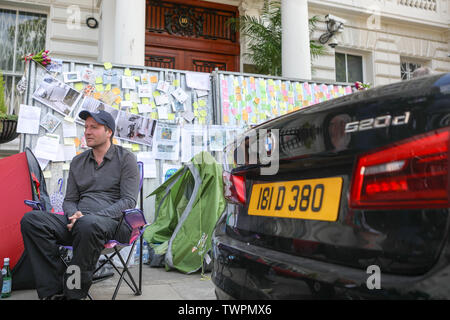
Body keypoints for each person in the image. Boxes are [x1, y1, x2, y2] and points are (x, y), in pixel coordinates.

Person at [20, 110, 139, 300]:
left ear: (109, 132)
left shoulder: (126, 159)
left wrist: (89, 217)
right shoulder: (78, 161)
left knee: (88, 224)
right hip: (78, 222)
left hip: (113, 223)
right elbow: (70, 200)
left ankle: (73, 294)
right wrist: (74, 214)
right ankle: (52, 292)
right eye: (85, 127)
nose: (87, 132)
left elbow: (127, 201)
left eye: (94, 127)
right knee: (31, 220)